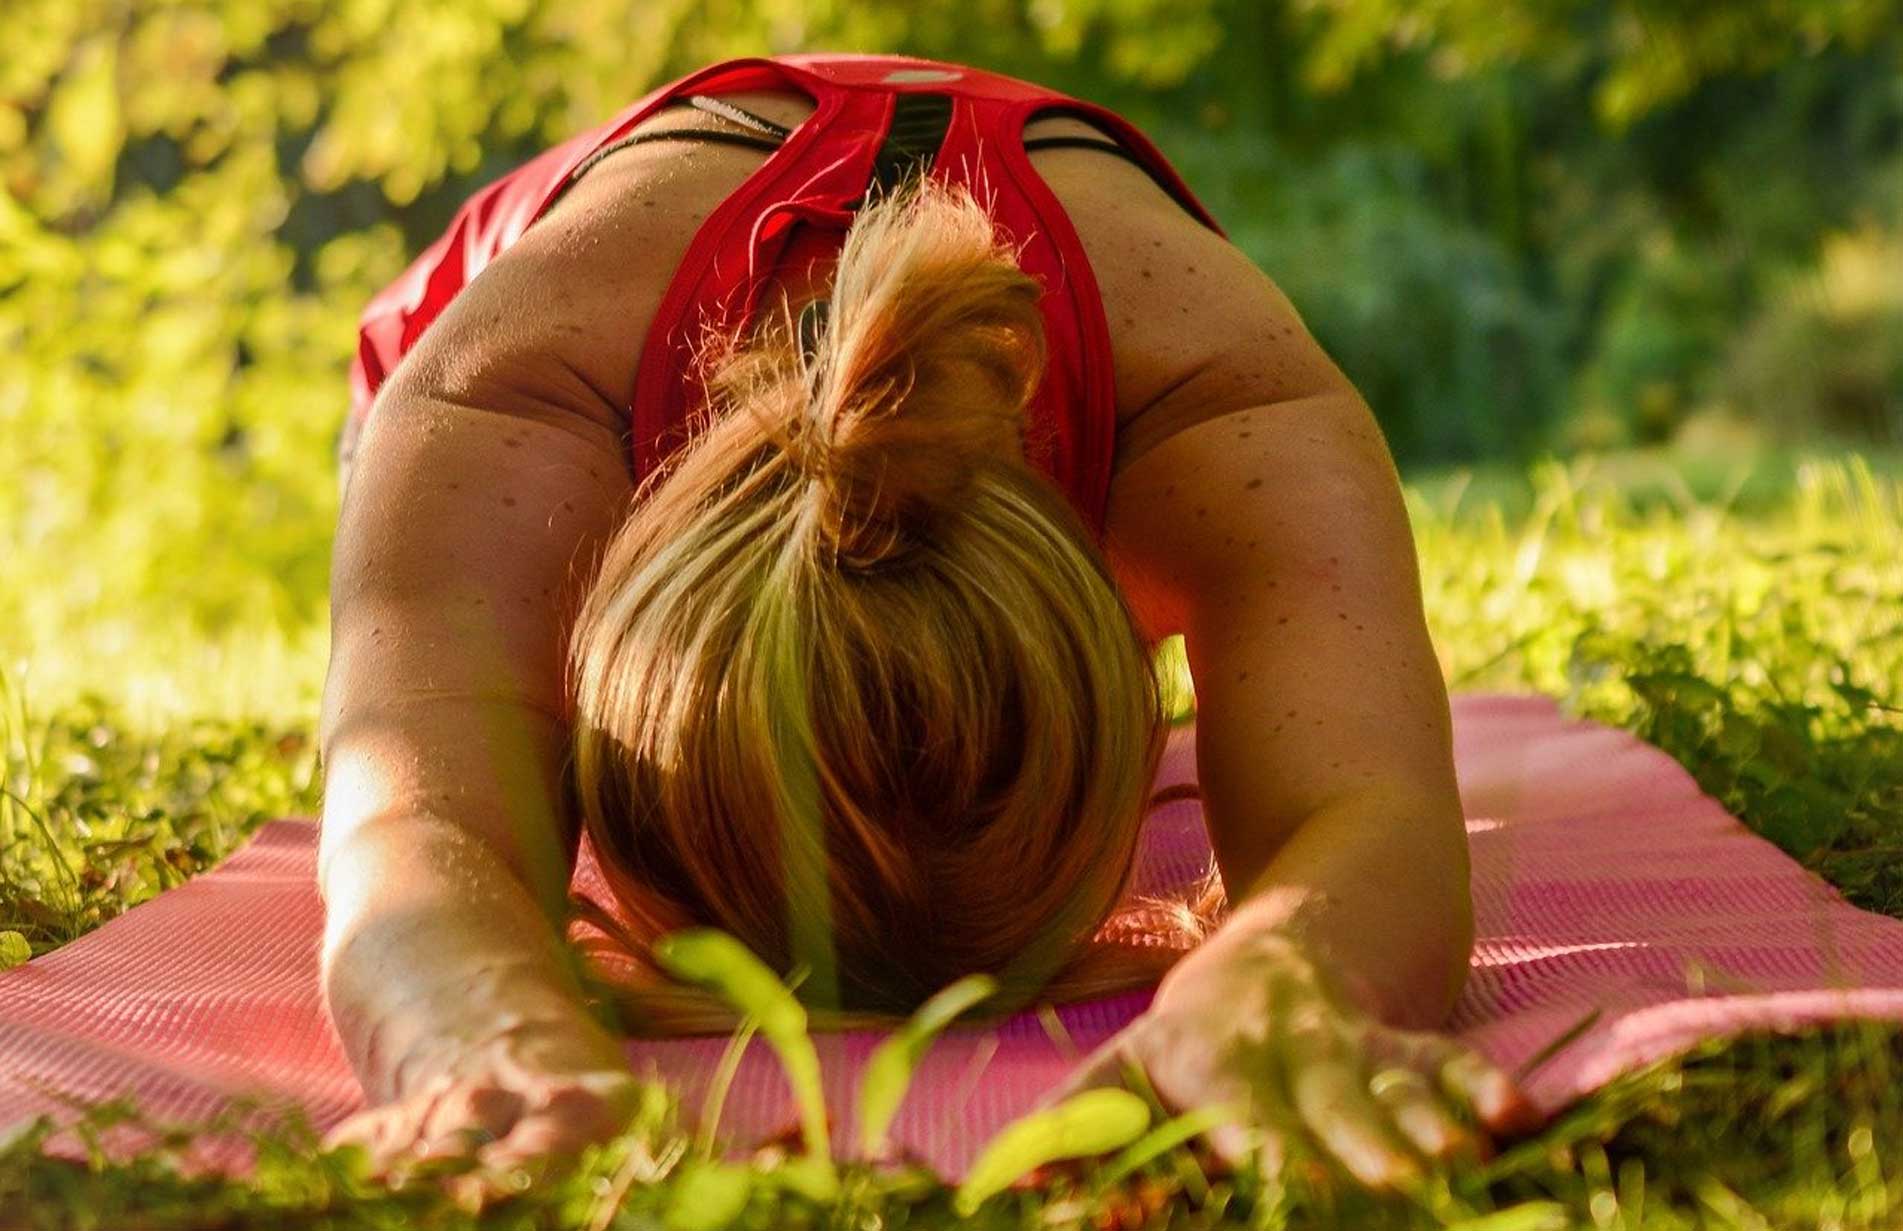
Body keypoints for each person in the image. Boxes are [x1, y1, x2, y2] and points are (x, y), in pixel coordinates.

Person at [317, 52, 1542, 1197]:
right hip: (525, 314)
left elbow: (1370, 811)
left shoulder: (1221, 405)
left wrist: (1292, 977)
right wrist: (476, 1027)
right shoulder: (510, 399)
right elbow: (405, 816)